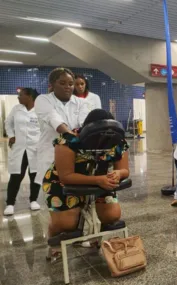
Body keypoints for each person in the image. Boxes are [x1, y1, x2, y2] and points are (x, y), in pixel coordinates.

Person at [43, 109, 129, 257]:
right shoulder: (68, 140)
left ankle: (94, 236)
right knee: (66, 224)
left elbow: (124, 170)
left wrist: (118, 173)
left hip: (101, 181)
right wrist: (98, 180)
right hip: (63, 182)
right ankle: (53, 239)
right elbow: (66, 176)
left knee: (112, 215)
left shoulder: (117, 140)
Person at [34, 68, 90, 186]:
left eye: (70, 84)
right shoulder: (43, 99)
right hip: (50, 155)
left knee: (78, 195)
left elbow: (85, 124)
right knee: (55, 197)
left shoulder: (81, 103)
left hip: (77, 156)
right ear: (52, 84)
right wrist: (69, 135)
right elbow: (53, 118)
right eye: (62, 83)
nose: (68, 87)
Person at [4, 88, 42, 216]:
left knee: (35, 176)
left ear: (30, 97)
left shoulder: (40, 110)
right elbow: (7, 123)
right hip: (19, 148)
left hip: (35, 148)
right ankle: (10, 203)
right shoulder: (16, 109)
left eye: (21, 95)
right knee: (15, 176)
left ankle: (33, 200)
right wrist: (11, 135)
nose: (18, 97)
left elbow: (46, 129)